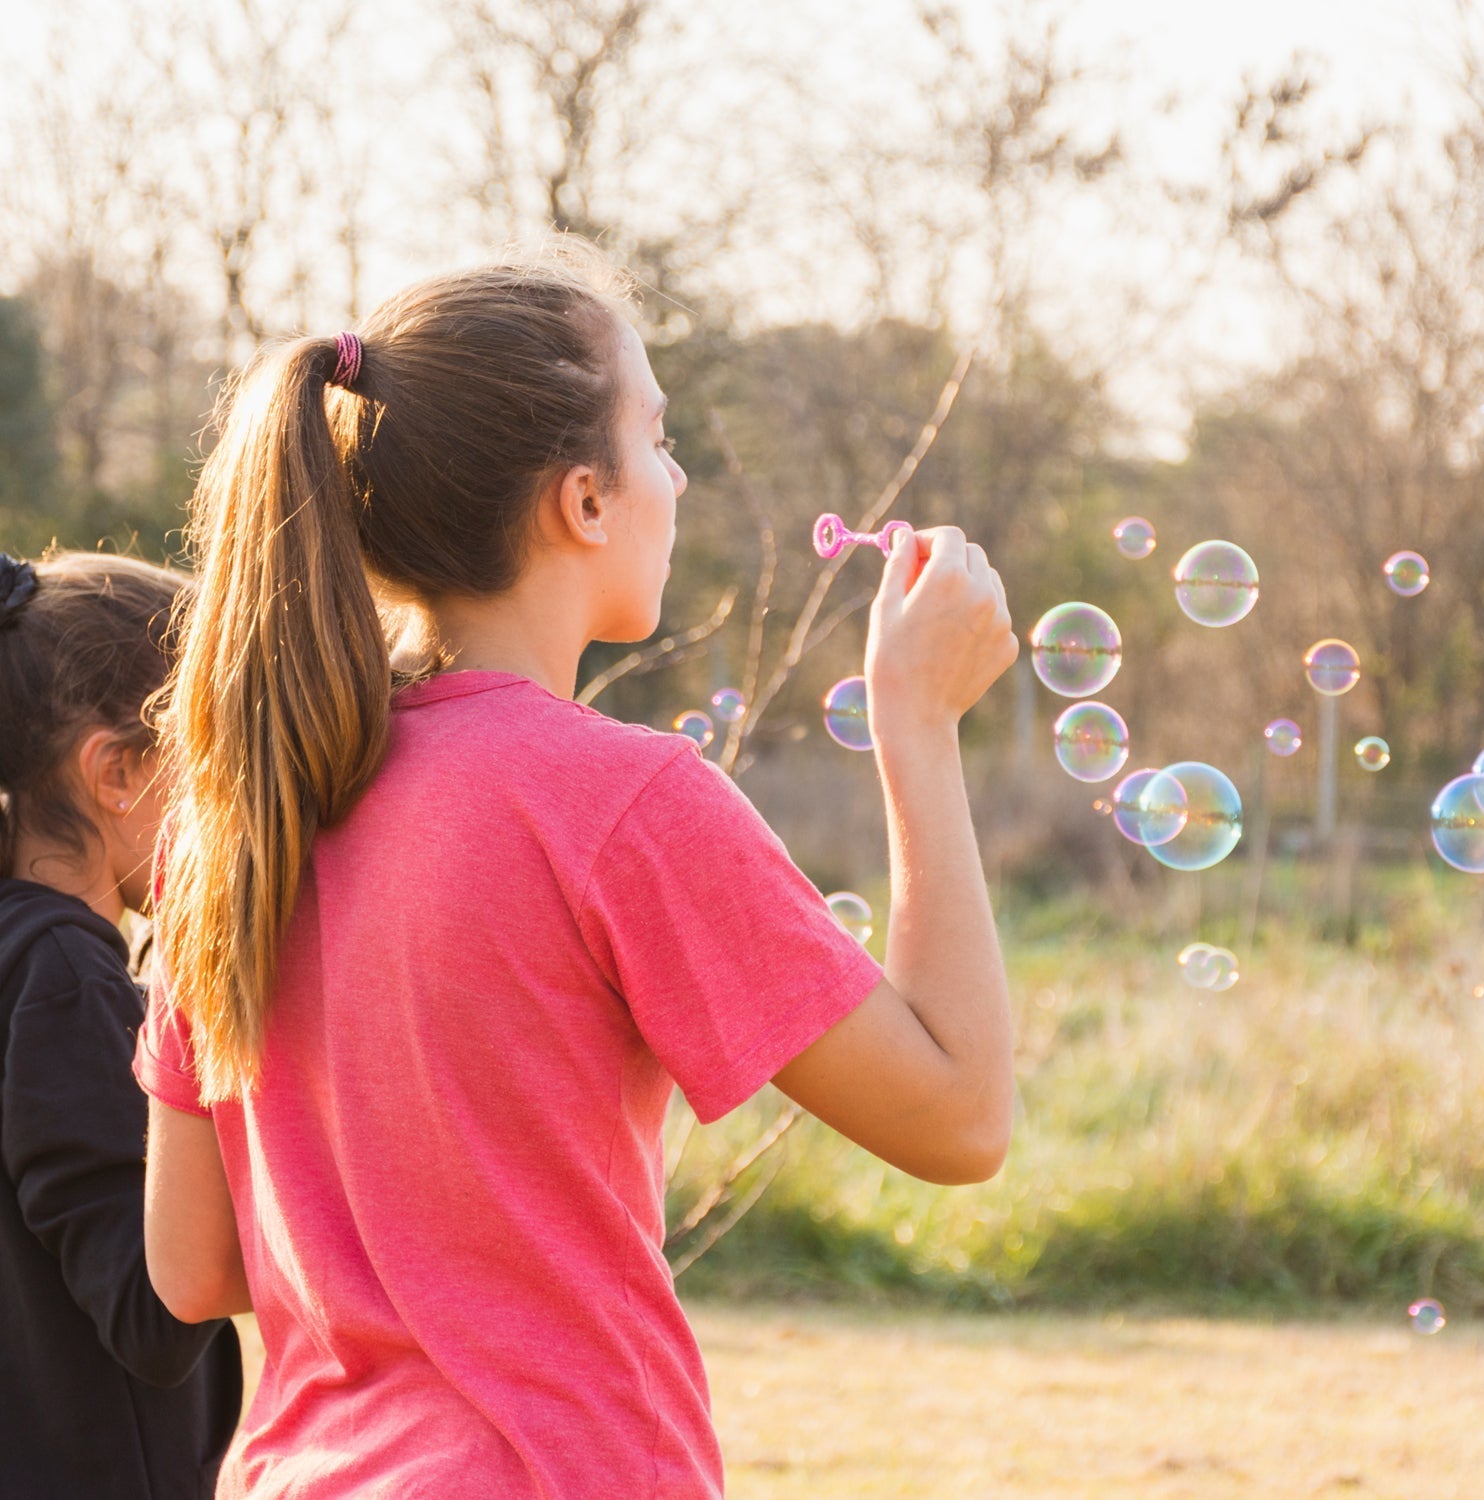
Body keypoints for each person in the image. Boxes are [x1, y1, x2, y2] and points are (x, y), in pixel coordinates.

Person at [136, 243, 1018, 1500]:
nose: (680, 475)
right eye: (657, 436)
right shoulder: (617, 801)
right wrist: (918, 728)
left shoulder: (231, 816)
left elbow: (193, 1268)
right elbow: (961, 1117)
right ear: (585, 501)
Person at [0, 549, 242, 1499]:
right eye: (217, 760)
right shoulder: (59, 973)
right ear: (118, 773)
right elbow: (156, 1311)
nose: (241, 804)